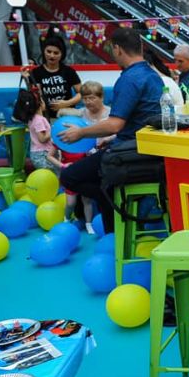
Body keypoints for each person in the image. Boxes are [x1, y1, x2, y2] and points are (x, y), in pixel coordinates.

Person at [57, 27, 163, 234]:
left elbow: (115, 124)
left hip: (128, 154)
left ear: (117, 49)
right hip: (148, 150)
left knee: (69, 177)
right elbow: (141, 121)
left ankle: (111, 210)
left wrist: (80, 132)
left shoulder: (129, 79)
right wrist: (112, 139)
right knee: (102, 183)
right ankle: (111, 203)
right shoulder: (154, 76)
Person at [52, 81, 112, 232]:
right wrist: (62, 109)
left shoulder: (110, 114)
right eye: (85, 99)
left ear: (101, 97)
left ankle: (103, 217)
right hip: (86, 157)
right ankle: (83, 217)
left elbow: (117, 131)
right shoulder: (81, 114)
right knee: (75, 182)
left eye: (92, 98)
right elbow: (63, 115)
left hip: (106, 155)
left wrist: (107, 139)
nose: (88, 102)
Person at [23, 36, 82, 120]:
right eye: (48, 51)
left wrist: (66, 103)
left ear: (62, 54)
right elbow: (34, 95)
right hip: (45, 116)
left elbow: (82, 93)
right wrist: (26, 79)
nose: (51, 55)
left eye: (56, 53)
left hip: (67, 115)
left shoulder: (69, 71)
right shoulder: (36, 72)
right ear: (43, 51)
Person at [21, 91, 59, 173]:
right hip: (43, 154)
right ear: (40, 104)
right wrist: (54, 130)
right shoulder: (39, 120)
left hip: (37, 153)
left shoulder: (32, 118)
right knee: (53, 175)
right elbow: (42, 139)